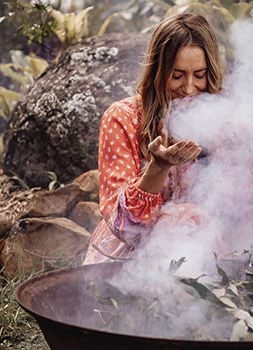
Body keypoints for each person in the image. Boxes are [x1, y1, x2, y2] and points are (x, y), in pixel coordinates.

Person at [82, 13, 224, 264]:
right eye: (177, 76)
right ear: (158, 72)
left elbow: (247, 210)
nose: (189, 88)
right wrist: (158, 168)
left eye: (199, 75)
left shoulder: (220, 118)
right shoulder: (122, 118)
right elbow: (122, 225)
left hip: (204, 254)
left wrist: (238, 152)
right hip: (128, 262)